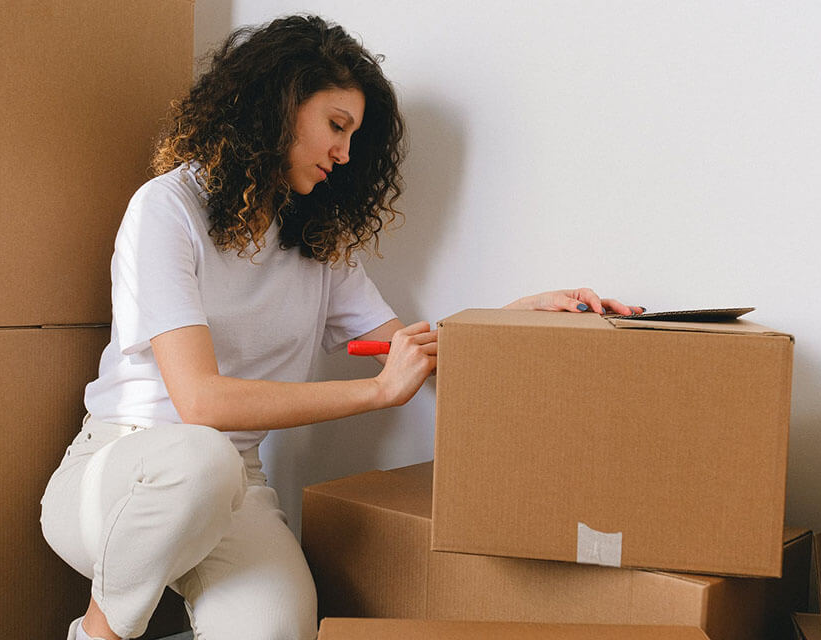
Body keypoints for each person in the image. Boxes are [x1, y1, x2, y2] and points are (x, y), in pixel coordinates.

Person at [39, 14, 642, 640]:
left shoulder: (316, 243)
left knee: (276, 630)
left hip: (233, 484)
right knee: (202, 457)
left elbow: (406, 348)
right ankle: (99, 634)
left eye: (353, 136)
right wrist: (377, 392)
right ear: (277, 108)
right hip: (121, 471)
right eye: (335, 126)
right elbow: (200, 402)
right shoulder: (166, 208)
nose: (346, 153)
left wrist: (511, 321)